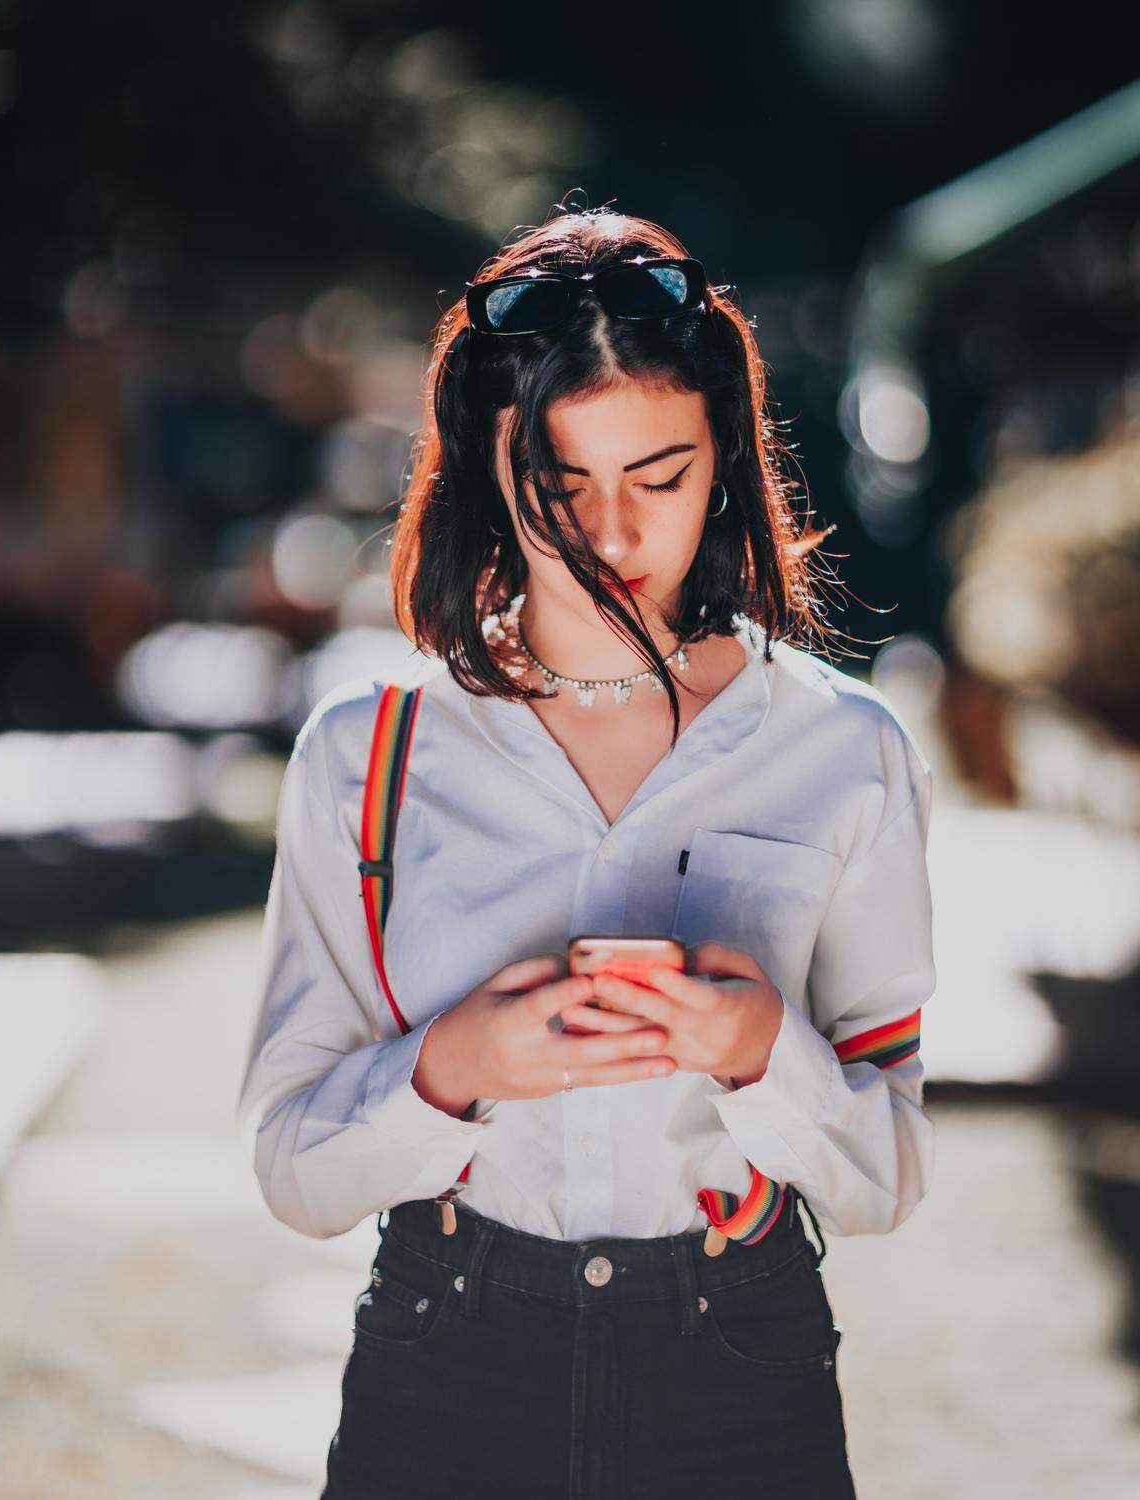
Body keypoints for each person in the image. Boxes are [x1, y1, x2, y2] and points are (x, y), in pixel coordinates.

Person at [235, 203, 937, 1499]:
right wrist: (451, 1068)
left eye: (657, 477)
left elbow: (887, 1174)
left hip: (744, 1360)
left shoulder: (846, 748)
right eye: (559, 484)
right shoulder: (366, 753)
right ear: (485, 465)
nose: (607, 534)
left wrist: (755, 1052)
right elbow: (293, 1169)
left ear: (724, 457)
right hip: (445, 1354)